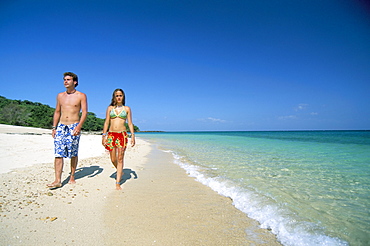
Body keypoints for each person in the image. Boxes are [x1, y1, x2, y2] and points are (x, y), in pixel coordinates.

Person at [47, 72, 88, 189]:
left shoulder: (81, 95)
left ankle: (72, 176)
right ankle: (57, 180)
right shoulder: (60, 96)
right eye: (64, 79)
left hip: (74, 126)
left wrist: (79, 126)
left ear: (75, 82)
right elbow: (57, 112)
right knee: (58, 153)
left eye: (68, 79)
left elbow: (84, 112)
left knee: (73, 153)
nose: (65, 81)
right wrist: (54, 127)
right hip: (61, 127)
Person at [102, 88, 135, 190]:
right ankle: (120, 170)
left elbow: (129, 123)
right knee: (113, 159)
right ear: (114, 97)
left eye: (120, 95)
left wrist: (132, 135)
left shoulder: (127, 109)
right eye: (117, 95)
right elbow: (107, 122)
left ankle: (118, 182)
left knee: (120, 158)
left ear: (123, 97)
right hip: (111, 135)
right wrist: (104, 135)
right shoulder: (110, 108)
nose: (119, 97)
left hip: (122, 135)